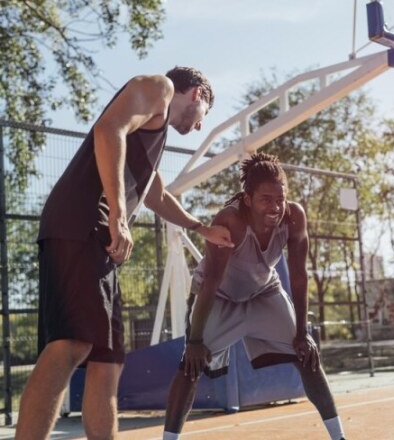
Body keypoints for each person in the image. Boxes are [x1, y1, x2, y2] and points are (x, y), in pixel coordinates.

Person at [15, 67, 235, 440]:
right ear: (197, 94)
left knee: (107, 362)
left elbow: (157, 196)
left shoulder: (154, 133)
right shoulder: (158, 88)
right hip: (82, 221)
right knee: (72, 344)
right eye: (205, 117)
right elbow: (108, 129)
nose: (199, 127)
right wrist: (118, 212)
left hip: (101, 237)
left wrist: (201, 228)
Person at [162, 153, 347, 440]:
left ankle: (339, 436)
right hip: (219, 295)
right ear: (248, 199)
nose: (275, 207)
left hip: (263, 291)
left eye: (279, 198)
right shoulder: (230, 220)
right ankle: (169, 438)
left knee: (307, 355)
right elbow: (211, 282)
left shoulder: (294, 217)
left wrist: (302, 333)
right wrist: (195, 341)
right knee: (192, 364)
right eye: (266, 199)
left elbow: (299, 277)